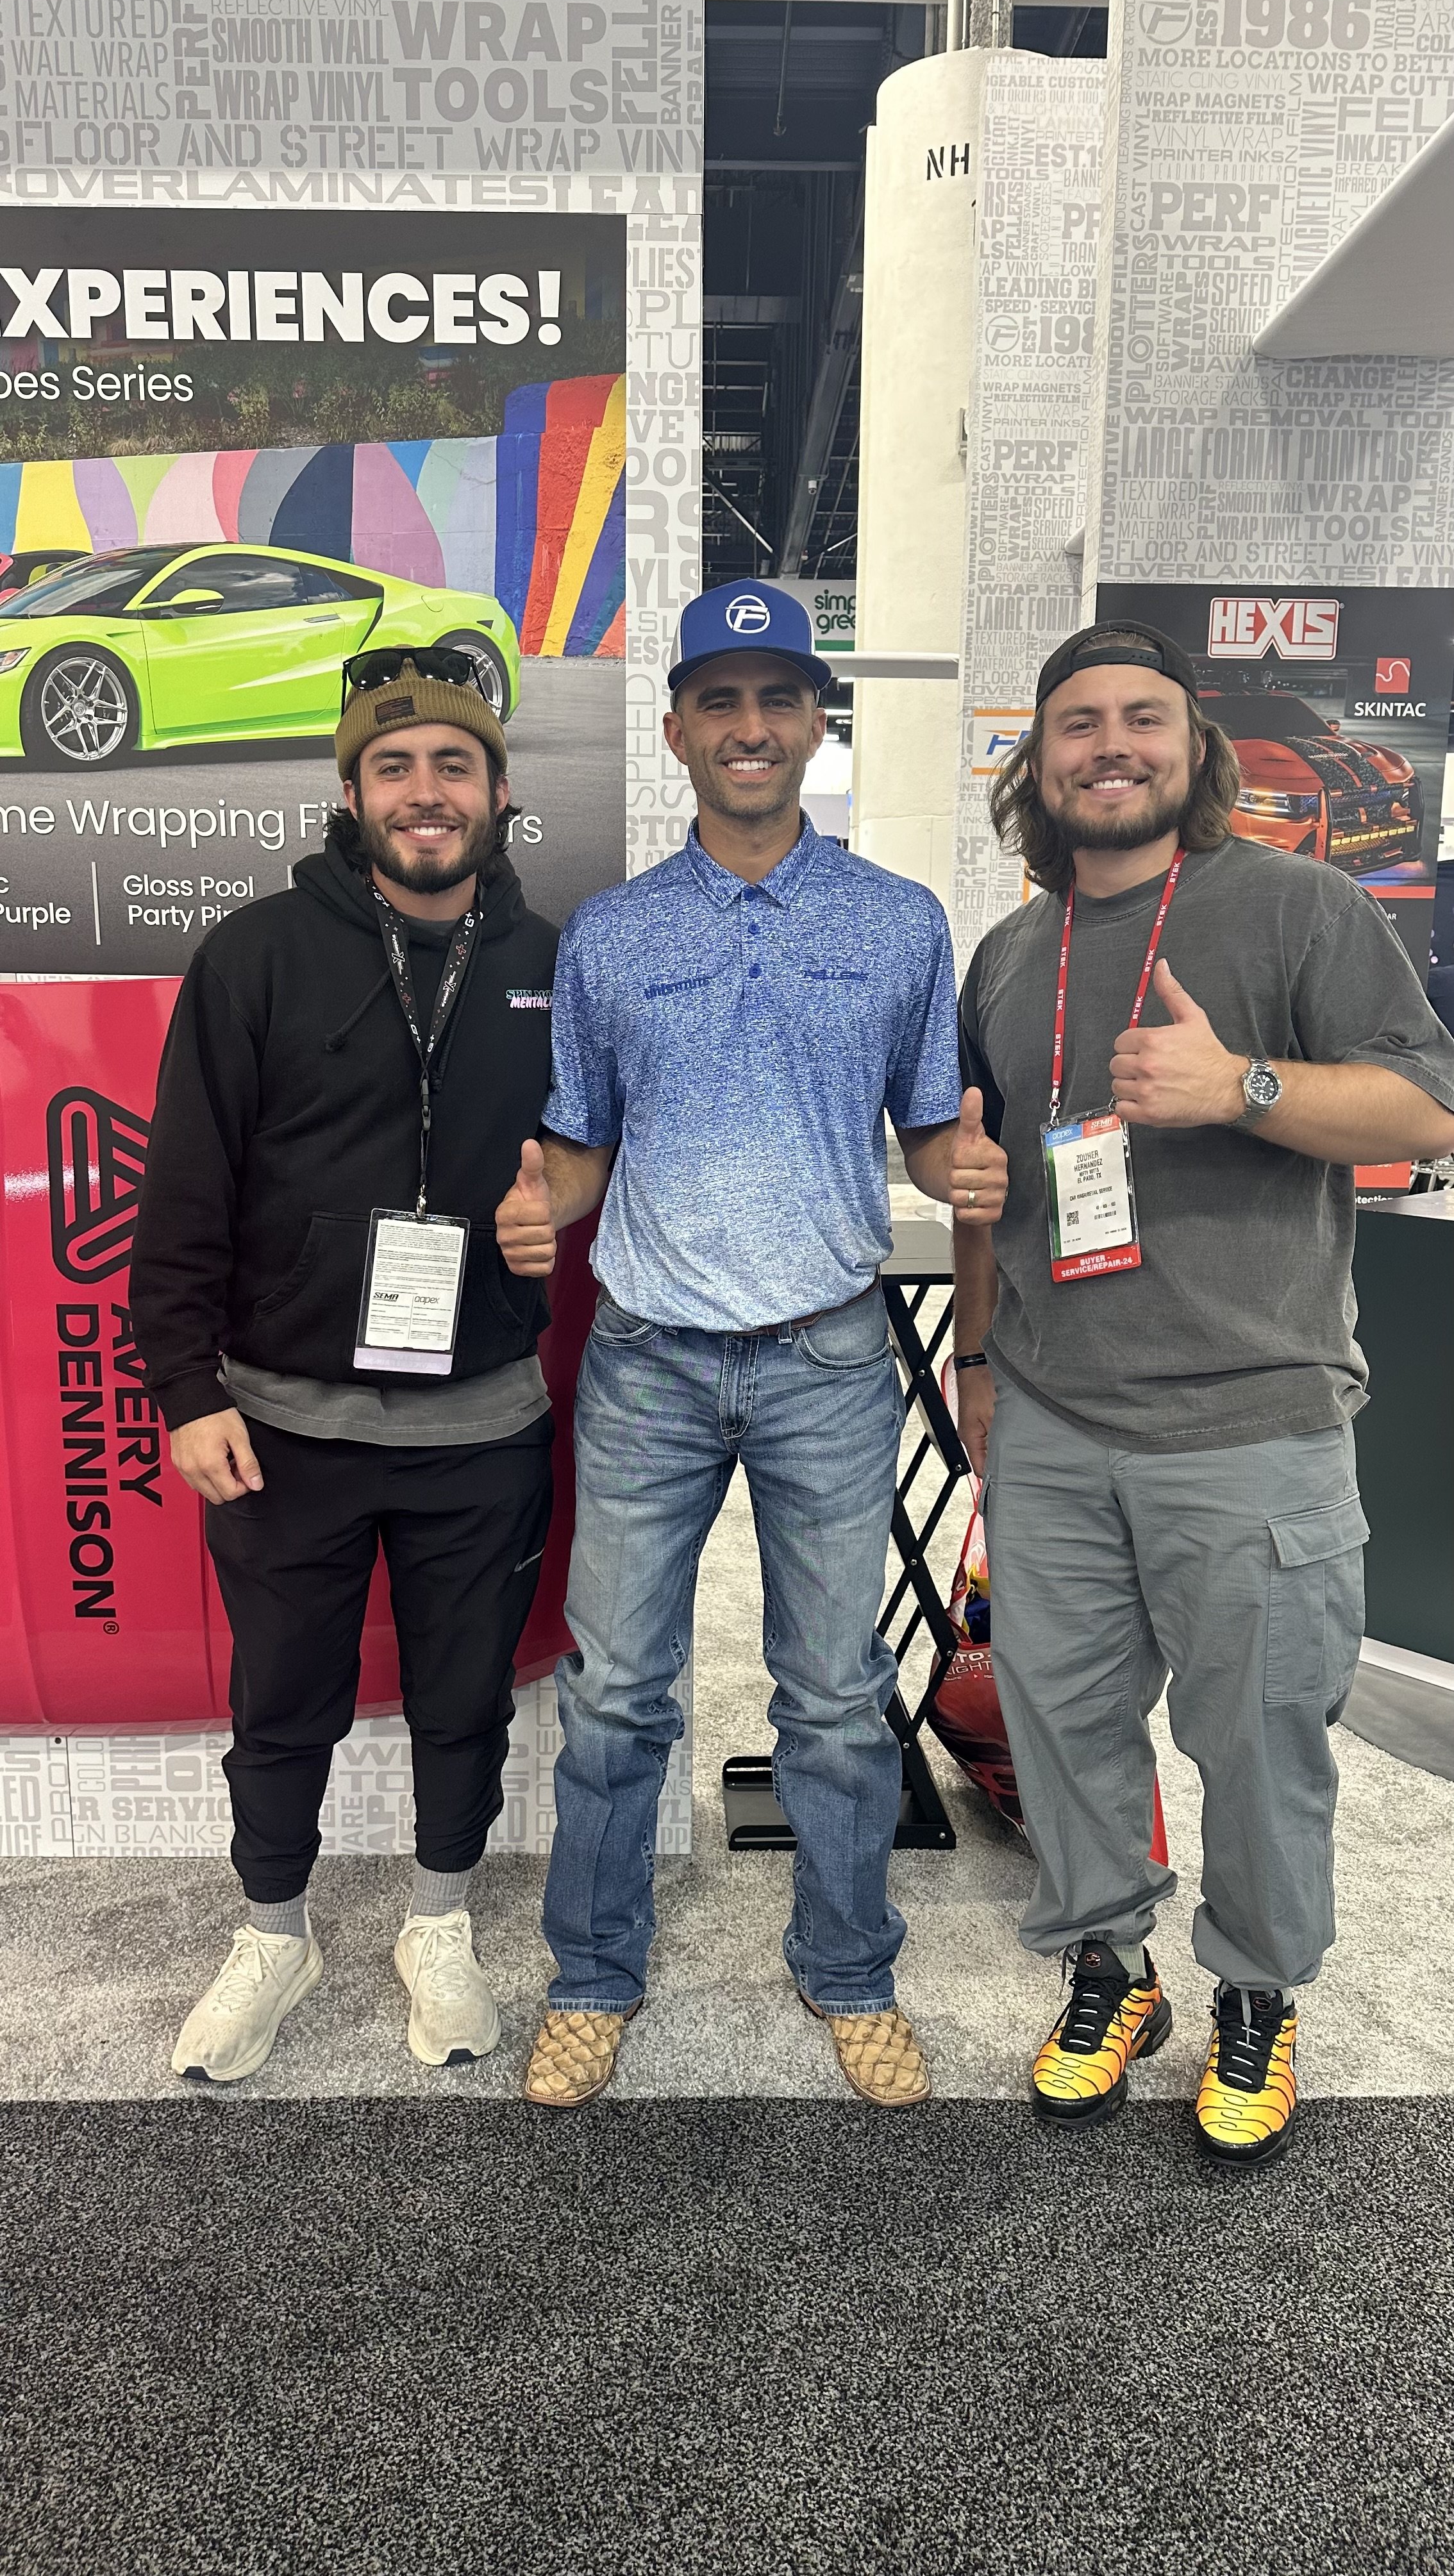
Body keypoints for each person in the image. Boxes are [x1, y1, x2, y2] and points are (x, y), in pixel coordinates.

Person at [494, 578, 1007, 2109]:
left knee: (834, 1694)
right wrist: (546, 1206)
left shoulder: (899, 922)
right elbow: (581, 1149)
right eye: (721, 700)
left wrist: (957, 1173)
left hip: (828, 1357)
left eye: (779, 698)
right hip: (649, 1359)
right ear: (677, 730)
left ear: (814, 723)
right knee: (617, 1692)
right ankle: (595, 1973)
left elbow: (928, 1138)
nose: (752, 726)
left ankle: (848, 1970)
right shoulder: (613, 936)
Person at [953, 619, 1454, 2164]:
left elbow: (1430, 1101)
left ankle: (1255, 1993)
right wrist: (976, 1364)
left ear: (1191, 746)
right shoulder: (1011, 953)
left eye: (1142, 719)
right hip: (1048, 1418)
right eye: (1078, 724)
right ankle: (1111, 1969)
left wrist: (1241, 1087)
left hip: (1252, 1424)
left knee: (1258, 1745)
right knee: (1065, 1730)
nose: (1111, 746)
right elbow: (1000, 1192)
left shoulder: (1297, 909)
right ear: (1036, 764)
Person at [130, 649, 559, 2084]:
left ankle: (439, 1923)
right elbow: (184, 1186)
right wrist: (184, 1389)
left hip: (484, 1419)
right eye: (395, 766)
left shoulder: (555, 966)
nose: (425, 792)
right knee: (285, 1698)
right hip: (283, 1422)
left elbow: (611, 1152)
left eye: (453, 765)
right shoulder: (254, 953)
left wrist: (566, 1200)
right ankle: (276, 1932)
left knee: (463, 1700)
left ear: (500, 791)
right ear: (352, 791)